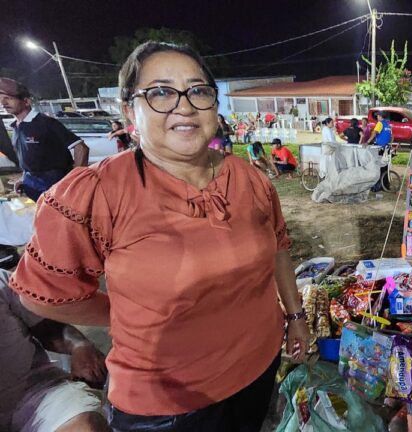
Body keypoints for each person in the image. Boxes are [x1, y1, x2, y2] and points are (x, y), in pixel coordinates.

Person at [9, 41, 310, 432]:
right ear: (127, 109)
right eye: (161, 92)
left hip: (258, 366)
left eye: (199, 90)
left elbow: (279, 248)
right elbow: (41, 295)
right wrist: (125, 314)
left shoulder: (248, 178)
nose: (184, 106)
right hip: (169, 405)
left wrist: (296, 317)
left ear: (213, 106)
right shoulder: (95, 194)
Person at [0, 269, 109, 432]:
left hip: (34, 391)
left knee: (85, 427)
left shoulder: (3, 281)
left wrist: (79, 346)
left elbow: (48, 328)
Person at [0, 77, 90, 201]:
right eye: (1, 99)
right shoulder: (16, 127)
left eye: (9, 98)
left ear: (26, 101)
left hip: (54, 184)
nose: (3, 103)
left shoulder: (46, 123)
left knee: (60, 219)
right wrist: (24, 179)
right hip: (32, 183)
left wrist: (74, 181)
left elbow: (81, 148)